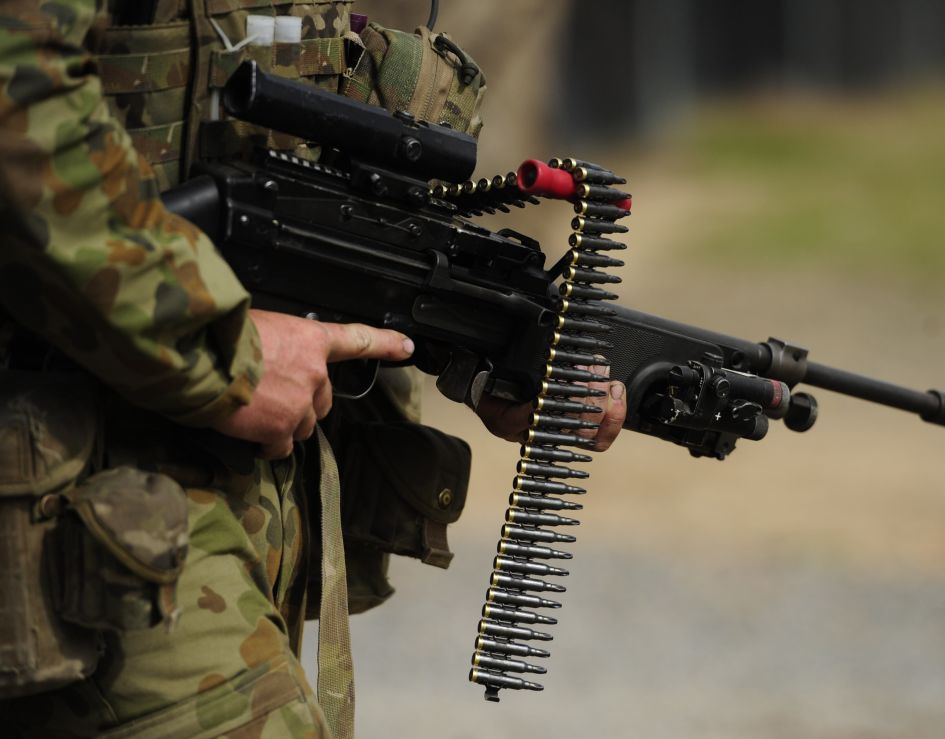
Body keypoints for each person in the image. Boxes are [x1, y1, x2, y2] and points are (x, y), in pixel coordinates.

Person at [0, 2, 626, 737]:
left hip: (236, 480)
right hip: (86, 471)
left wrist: (485, 350)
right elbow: (17, 83)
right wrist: (218, 348)